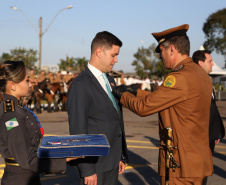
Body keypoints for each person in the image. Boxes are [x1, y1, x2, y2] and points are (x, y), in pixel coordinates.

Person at [113, 24, 213, 185]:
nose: (160, 56)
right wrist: (135, 92)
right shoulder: (199, 74)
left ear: (172, 49)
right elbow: (164, 98)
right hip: (198, 162)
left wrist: (122, 95)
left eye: (161, 51)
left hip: (181, 166)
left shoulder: (179, 77)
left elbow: (144, 108)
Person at [0, 61, 78, 185]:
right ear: (12, 86)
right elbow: (28, 160)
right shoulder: (11, 117)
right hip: (19, 180)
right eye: (27, 81)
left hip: (29, 178)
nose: (30, 85)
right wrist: (66, 158)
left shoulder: (21, 110)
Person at [67, 31, 128, 185]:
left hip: (112, 161)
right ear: (99, 52)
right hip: (95, 166)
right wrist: (87, 169)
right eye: (113, 55)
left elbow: (115, 119)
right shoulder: (80, 85)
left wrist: (120, 155)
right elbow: (78, 132)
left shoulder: (110, 80)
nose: (116, 60)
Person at [192, 50, 225, 185]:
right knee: (197, 174)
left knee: (204, 173)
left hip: (209, 136)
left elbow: (212, 109)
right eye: (210, 61)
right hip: (199, 139)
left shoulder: (207, 81)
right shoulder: (194, 82)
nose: (212, 64)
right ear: (200, 63)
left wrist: (216, 132)